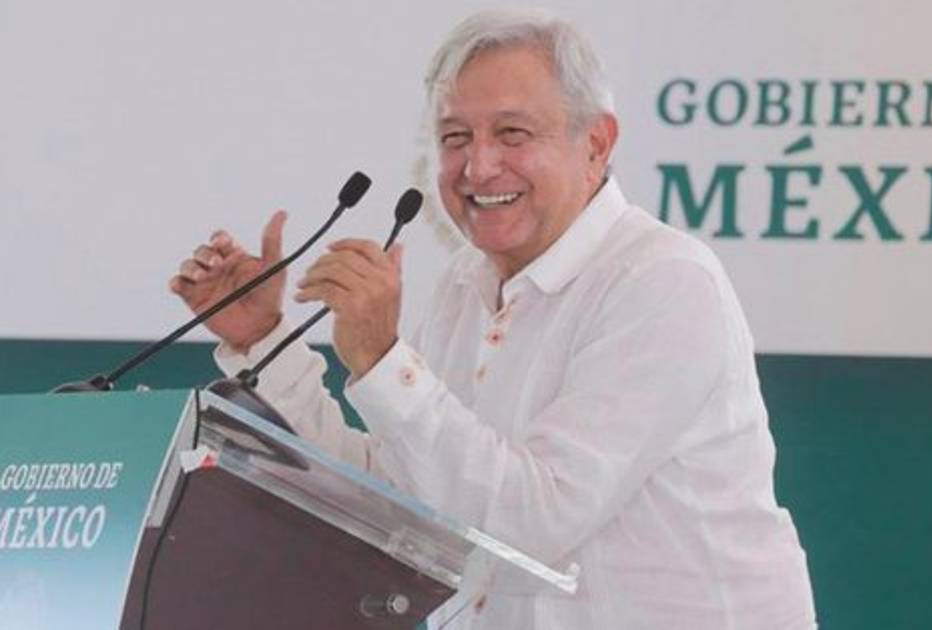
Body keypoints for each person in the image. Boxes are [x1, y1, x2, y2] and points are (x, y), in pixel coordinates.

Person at [169, 9, 816, 629]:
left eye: (512, 134)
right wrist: (264, 339)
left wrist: (383, 362)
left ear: (596, 143)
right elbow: (396, 497)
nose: (478, 167)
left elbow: (531, 526)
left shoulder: (663, 283)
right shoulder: (463, 285)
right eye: (455, 138)